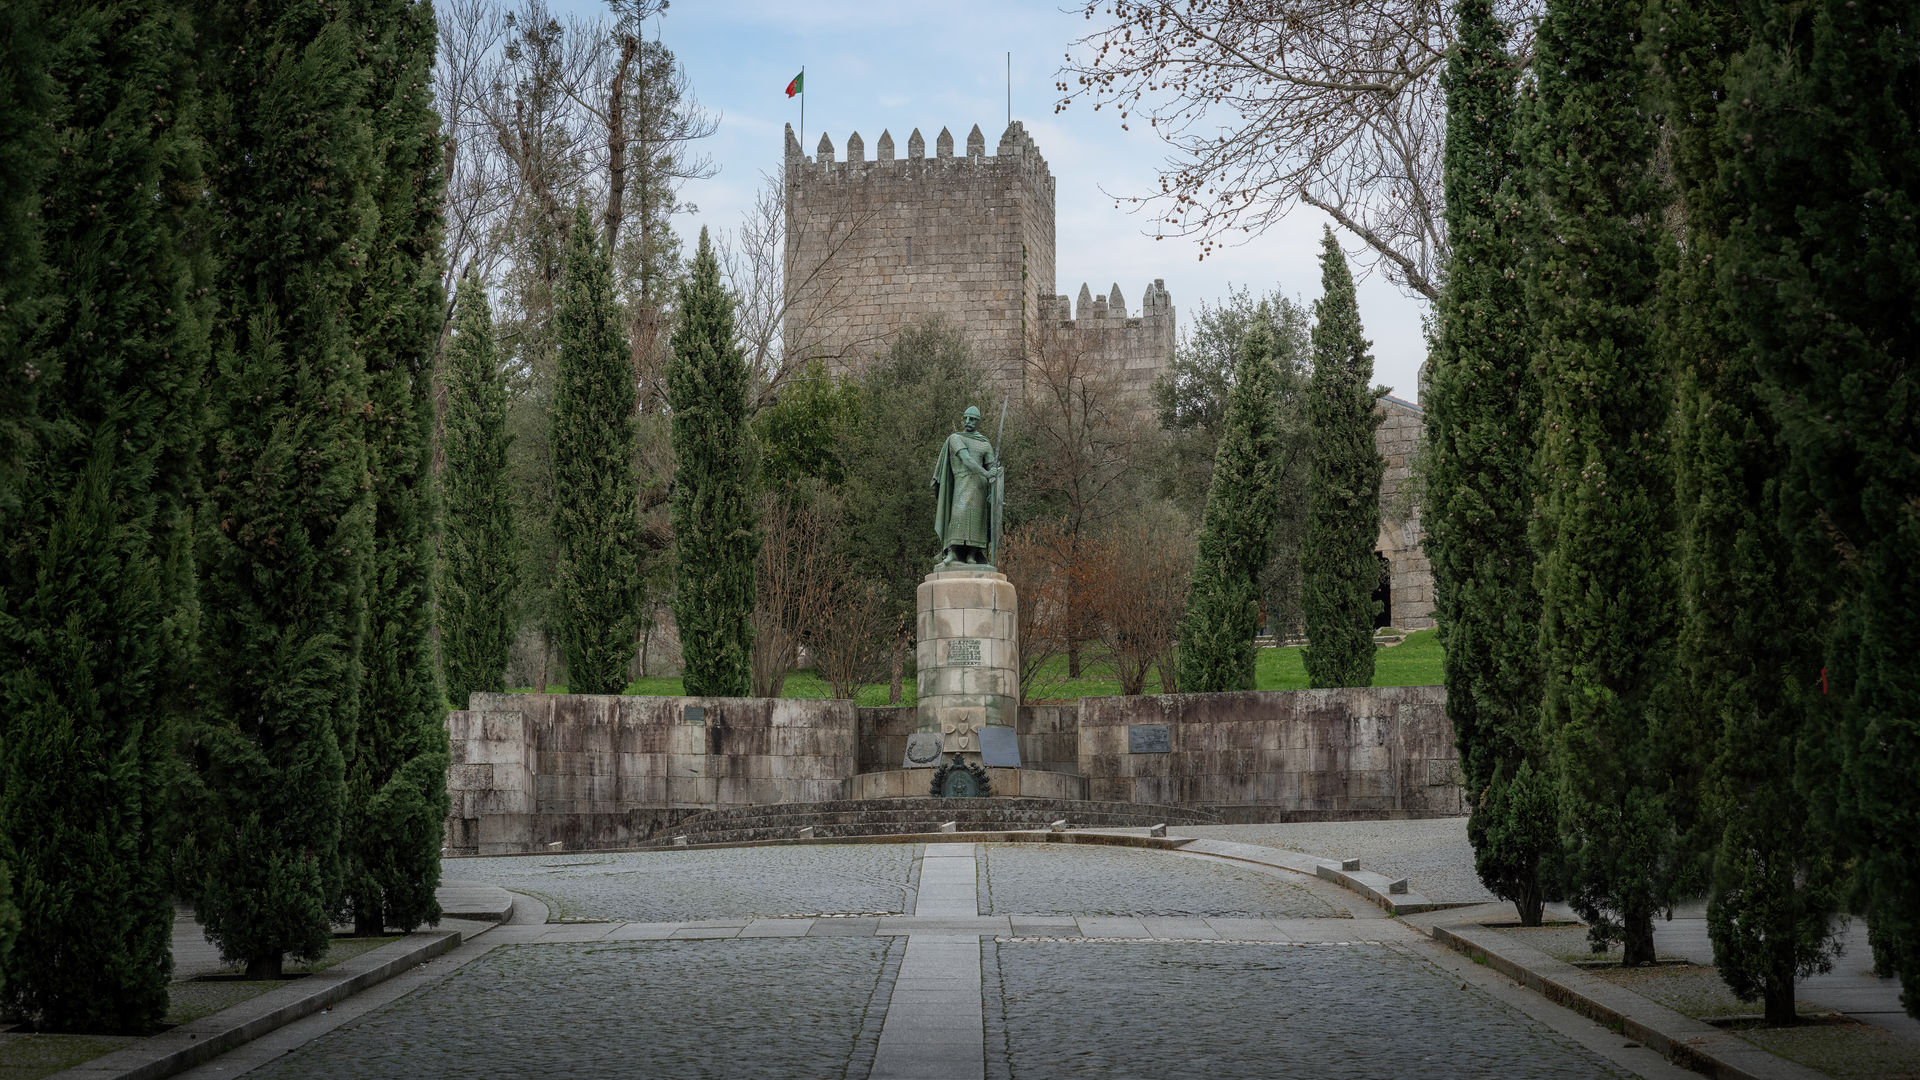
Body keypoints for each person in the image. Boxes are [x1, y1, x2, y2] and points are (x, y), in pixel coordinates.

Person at [929, 405, 1002, 568]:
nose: (968, 421)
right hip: (961, 484)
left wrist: (995, 476)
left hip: (980, 488)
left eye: (973, 419)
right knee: (958, 516)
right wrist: (987, 473)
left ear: (978, 421)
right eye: (966, 418)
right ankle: (952, 552)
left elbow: (991, 467)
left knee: (977, 520)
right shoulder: (955, 438)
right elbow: (967, 459)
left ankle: (971, 555)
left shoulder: (985, 443)